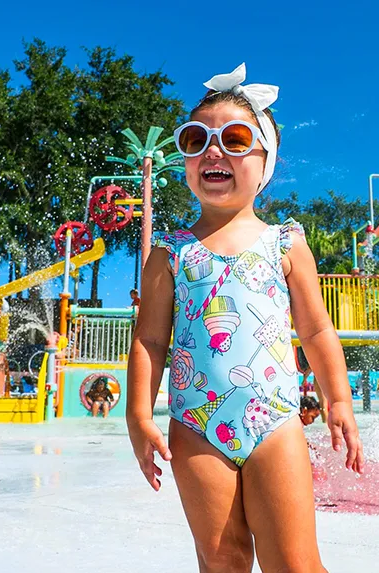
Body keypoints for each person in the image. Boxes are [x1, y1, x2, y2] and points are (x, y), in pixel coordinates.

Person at [126, 63, 363, 572]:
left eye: (235, 139)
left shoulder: (287, 243)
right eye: (196, 140)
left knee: (295, 564)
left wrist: (337, 397)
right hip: (196, 427)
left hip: (275, 421)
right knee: (223, 561)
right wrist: (139, 415)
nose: (214, 151)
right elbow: (149, 341)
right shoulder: (169, 253)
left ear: (265, 162)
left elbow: (317, 330)